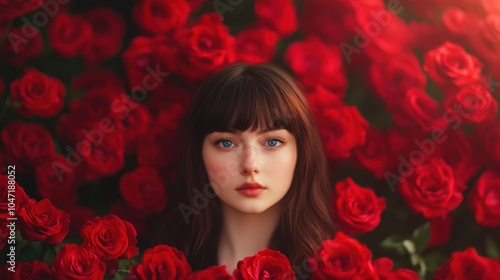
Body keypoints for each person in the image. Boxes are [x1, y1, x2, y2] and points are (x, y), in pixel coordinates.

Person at [153, 63, 336, 277]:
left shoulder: (331, 267)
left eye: (273, 142)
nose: (250, 165)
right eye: (227, 143)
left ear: (302, 151)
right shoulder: (166, 263)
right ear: (198, 152)